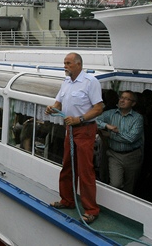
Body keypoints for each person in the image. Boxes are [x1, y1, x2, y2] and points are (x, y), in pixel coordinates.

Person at [45, 52, 103, 224]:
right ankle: (67, 200)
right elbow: (59, 103)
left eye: (68, 63)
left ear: (78, 64)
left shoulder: (90, 82)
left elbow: (98, 108)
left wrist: (80, 119)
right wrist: (52, 109)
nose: (65, 66)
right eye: (64, 63)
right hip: (70, 130)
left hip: (84, 130)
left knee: (85, 170)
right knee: (67, 167)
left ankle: (91, 210)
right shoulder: (66, 83)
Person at [96, 90, 144, 194]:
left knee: (129, 186)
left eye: (127, 99)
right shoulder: (110, 113)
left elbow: (131, 138)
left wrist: (110, 135)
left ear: (133, 103)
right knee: (115, 184)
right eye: (121, 97)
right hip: (114, 155)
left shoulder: (138, 118)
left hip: (132, 156)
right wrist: (106, 126)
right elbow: (94, 120)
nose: (122, 100)